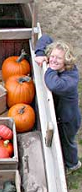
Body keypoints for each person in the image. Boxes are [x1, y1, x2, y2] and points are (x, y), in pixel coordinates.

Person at [35, 34, 81, 175]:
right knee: (61, 137)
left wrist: (49, 68)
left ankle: (73, 164)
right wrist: (40, 53)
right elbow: (46, 38)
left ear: (66, 60)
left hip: (69, 118)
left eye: (58, 58)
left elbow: (54, 84)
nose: (54, 60)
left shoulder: (70, 78)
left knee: (68, 142)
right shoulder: (57, 64)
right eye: (52, 56)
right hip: (62, 114)